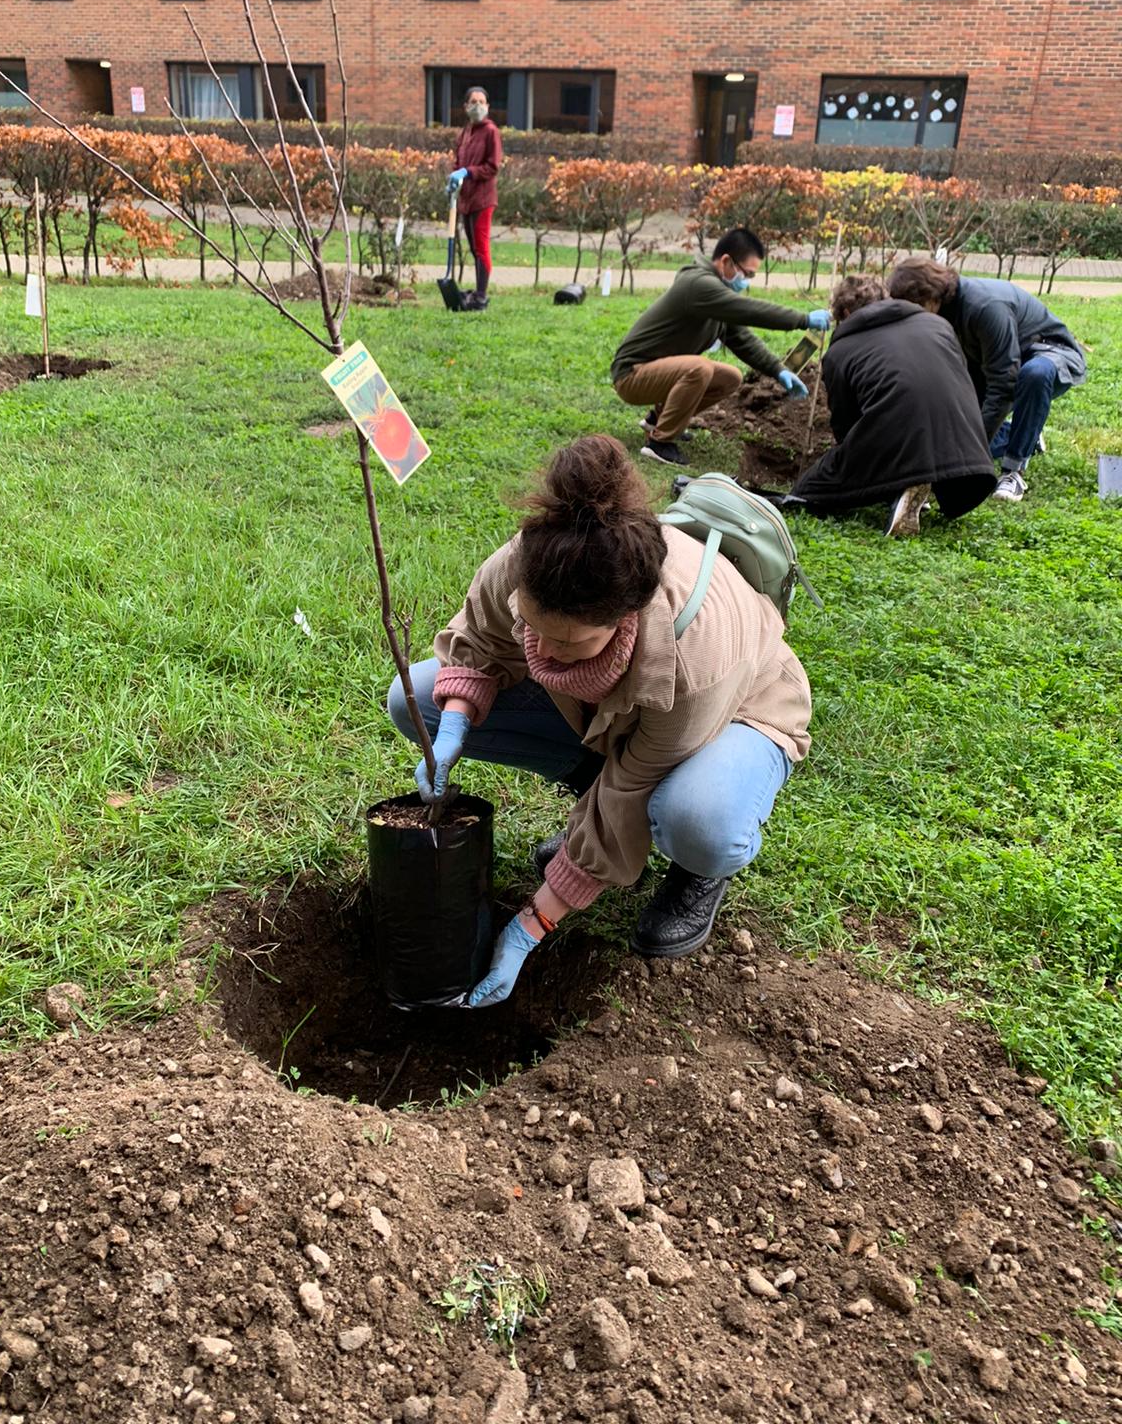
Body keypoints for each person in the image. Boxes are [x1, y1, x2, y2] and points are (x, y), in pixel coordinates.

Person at [386, 435, 811, 1007]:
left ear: (625, 617)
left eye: (574, 643)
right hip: (610, 714)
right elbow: (481, 639)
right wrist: (458, 719)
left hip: (739, 707)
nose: (547, 654)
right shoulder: (530, 561)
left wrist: (532, 924)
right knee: (414, 696)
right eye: (535, 629)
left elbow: (629, 791)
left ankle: (698, 870)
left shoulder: (694, 656)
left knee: (696, 817)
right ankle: (590, 780)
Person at [787, 276, 998, 537]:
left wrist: (850, 463)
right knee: (908, 447)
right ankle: (915, 484)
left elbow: (846, 423)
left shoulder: (841, 351)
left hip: (899, 438)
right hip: (970, 467)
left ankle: (904, 480)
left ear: (846, 312)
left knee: (807, 491)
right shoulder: (938, 324)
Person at [610, 227, 831, 468]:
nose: (746, 281)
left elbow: (743, 340)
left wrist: (778, 370)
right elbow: (750, 311)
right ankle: (659, 444)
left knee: (729, 377)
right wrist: (803, 319)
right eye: (746, 273)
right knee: (699, 368)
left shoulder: (715, 297)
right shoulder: (698, 285)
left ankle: (659, 420)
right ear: (726, 261)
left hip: (653, 371)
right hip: (631, 375)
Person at [886, 258, 1087, 503]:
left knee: (1033, 374)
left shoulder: (985, 306)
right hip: (996, 360)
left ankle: (1013, 471)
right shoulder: (944, 308)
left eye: (913, 306)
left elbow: (1005, 383)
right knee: (962, 421)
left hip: (1048, 352)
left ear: (929, 296)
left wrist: (970, 453)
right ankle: (1022, 432)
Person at [447, 86, 503, 313]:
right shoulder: (466, 132)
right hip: (466, 199)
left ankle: (481, 297)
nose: (478, 106)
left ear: (488, 107)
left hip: (483, 199)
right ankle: (477, 292)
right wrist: (453, 178)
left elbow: (493, 166)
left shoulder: (491, 132)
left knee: (481, 248)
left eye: (482, 102)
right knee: (473, 247)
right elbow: (458, 161)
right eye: (473, 101)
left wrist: (468, 172)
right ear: (466, 106)